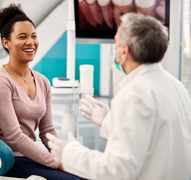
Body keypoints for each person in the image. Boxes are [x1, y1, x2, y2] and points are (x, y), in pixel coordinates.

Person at [47, 13, 191, 180]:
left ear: (124, 51)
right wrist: (109, 122)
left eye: (115, 43)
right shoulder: (176, 86)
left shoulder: (133, 95)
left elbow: (117, 171)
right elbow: (155, 141)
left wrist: (69, 153)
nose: (114, 49)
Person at [0, 4, 80, 180]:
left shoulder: (42, 81)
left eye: (34, 36)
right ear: (6, 43)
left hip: (28, 157)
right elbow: (15, 137)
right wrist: (57, 163)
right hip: (4, 161)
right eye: (22, 37)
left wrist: (65, 157)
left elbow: (47, 131)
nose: (30, 42)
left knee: (86, 174)